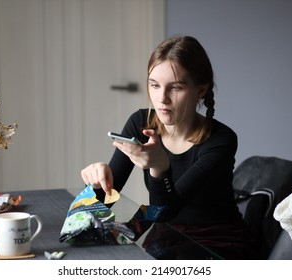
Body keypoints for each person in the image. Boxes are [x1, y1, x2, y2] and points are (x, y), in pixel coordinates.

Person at [81, 35, 258, 259]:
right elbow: (96, 210)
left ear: (201, 90)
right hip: (165, 236)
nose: (162, 98)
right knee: (89, 249)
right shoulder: (140, 123)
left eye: (175, 88)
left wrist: (158, 168)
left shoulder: (221, 140)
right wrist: (97, 184)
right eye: (154, 85)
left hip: (218, 242)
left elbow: (167, 211)